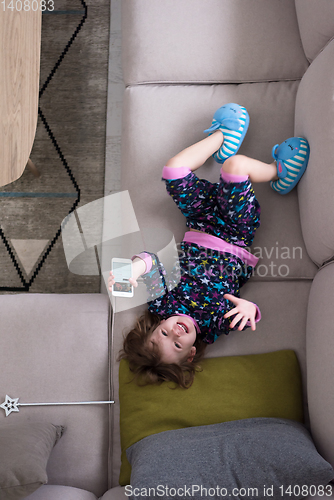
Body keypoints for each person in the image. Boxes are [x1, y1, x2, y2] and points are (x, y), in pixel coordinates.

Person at [108, 103, 310, 388]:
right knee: (235, 166)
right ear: (191, 354)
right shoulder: (214, 325)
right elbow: (248, 312)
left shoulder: (162, 301)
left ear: (156, 326)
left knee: (173, 171)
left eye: (164, 335)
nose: (175, 334)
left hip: (200, 221)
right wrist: (246, 309)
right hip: (236, 234)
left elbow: (153, 260)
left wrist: (133, 268)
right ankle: (277, 173)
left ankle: (221, 137)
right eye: (178, 346)